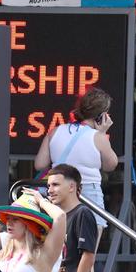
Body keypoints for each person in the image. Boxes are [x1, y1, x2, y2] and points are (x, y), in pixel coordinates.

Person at [34, 87, 118, 228]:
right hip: (88, 192)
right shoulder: (98, 138)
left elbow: (40, 164)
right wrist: (102, 134)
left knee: (58, 245)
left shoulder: (55, 131)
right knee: (88, 247)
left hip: (58, 191)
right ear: (102, 116)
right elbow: (110, 165)